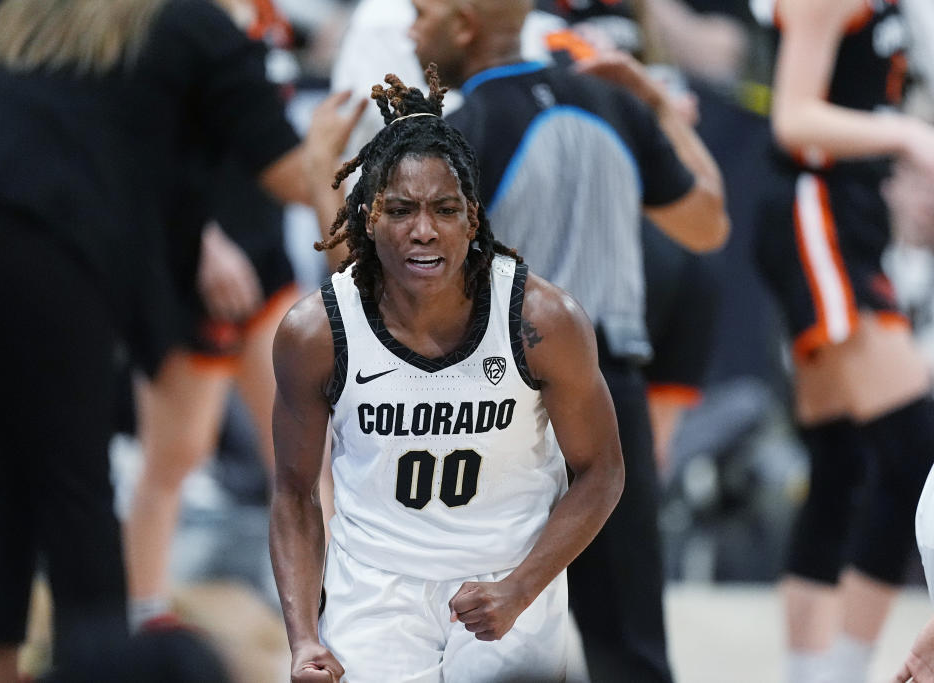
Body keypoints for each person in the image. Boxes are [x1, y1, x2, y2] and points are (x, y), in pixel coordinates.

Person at [0, 1, 360, 681]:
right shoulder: (190, 22)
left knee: (5, 481)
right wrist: (337, 152)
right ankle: (100, 663)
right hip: (57, 244)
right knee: (77, 486)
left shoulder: (33, 13)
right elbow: (290, 174)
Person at [269, 67, 625, 682]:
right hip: (374, 584)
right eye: (400, 209)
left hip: (509, 576)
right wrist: (302, 639)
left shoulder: (541, 320)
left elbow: (603, 471)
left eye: (444, 208)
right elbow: (294, 494)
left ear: (473, 217)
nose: (424, 229)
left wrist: (521, 588)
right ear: (367, 217)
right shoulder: (317, 332)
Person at [408, 1, 729, 680]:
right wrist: (656, 103)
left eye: (421, 13)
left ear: (463, 25)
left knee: (483, 641)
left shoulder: (464, 131)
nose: (411, 28)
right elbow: (708, 224)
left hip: (502, 408)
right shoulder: (613, 105)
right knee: (631, 651)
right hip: (615, 401)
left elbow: (388, 287)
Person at [751, 0, 934, 680]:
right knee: (912, 444)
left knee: (841, 462)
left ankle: (814, 674)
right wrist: (911, 138)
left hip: (853, 213)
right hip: (813, 207)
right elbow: (795, 119)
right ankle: (848, 669)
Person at [123, 0, 303, 631]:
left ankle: (331, 615)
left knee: (305, 454)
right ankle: (147, 619)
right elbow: (146, 145)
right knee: (176, 455)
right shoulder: (168, 22)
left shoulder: (266, 16)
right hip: (199, 264)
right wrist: (200, 239)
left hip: (267, 256)